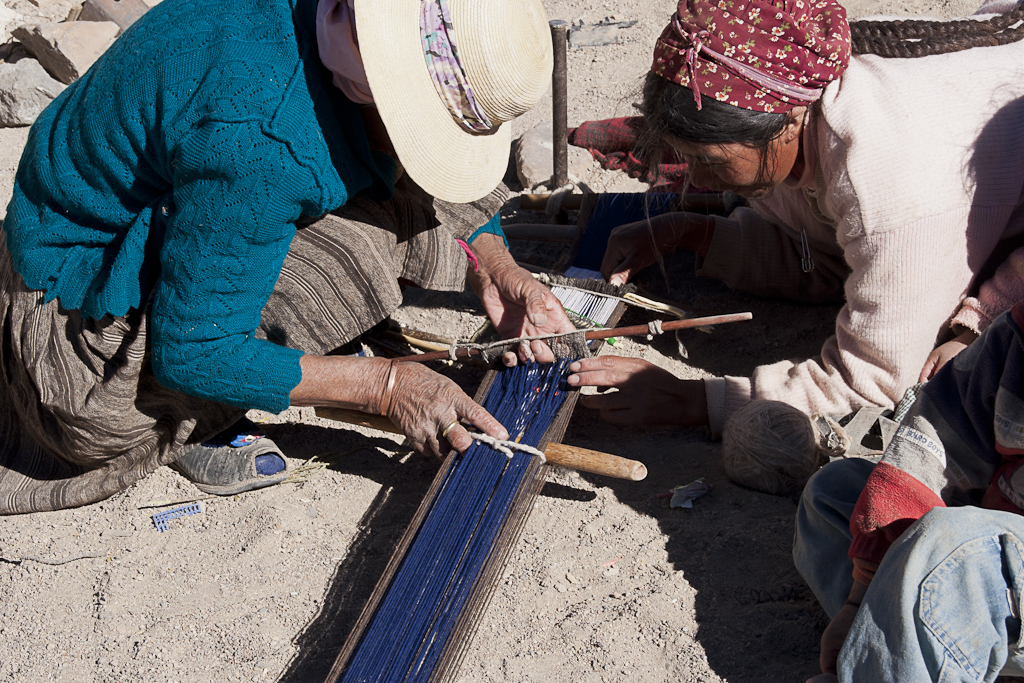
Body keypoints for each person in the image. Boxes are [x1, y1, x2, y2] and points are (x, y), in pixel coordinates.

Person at [0, 0, 574, 514]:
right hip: (69, 321)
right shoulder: (266, 139)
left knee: (385, 199)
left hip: (170, 198)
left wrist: (499, 270)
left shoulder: (332, 25)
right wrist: (386, 385)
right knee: (343, 266)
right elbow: (194, 351)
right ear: (383, 77)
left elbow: (430, 182)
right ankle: (190, 424)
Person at [566, 0, 1024, 443]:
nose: (698, 180)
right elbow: (827, 261)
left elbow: (874, 381)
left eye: (710, 160)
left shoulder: (891, 190)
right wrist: (691, 232)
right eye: (687, 159)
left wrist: (695, 400)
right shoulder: (799, 88)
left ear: (787, 122)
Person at [795, 299, 1024, 682]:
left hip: (995, 574)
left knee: (947, 548)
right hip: (986, 552)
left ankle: (896, 660)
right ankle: (899, 653)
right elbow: (939, 443)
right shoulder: (1017, 335)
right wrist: (859, 595)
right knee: (835, 493)